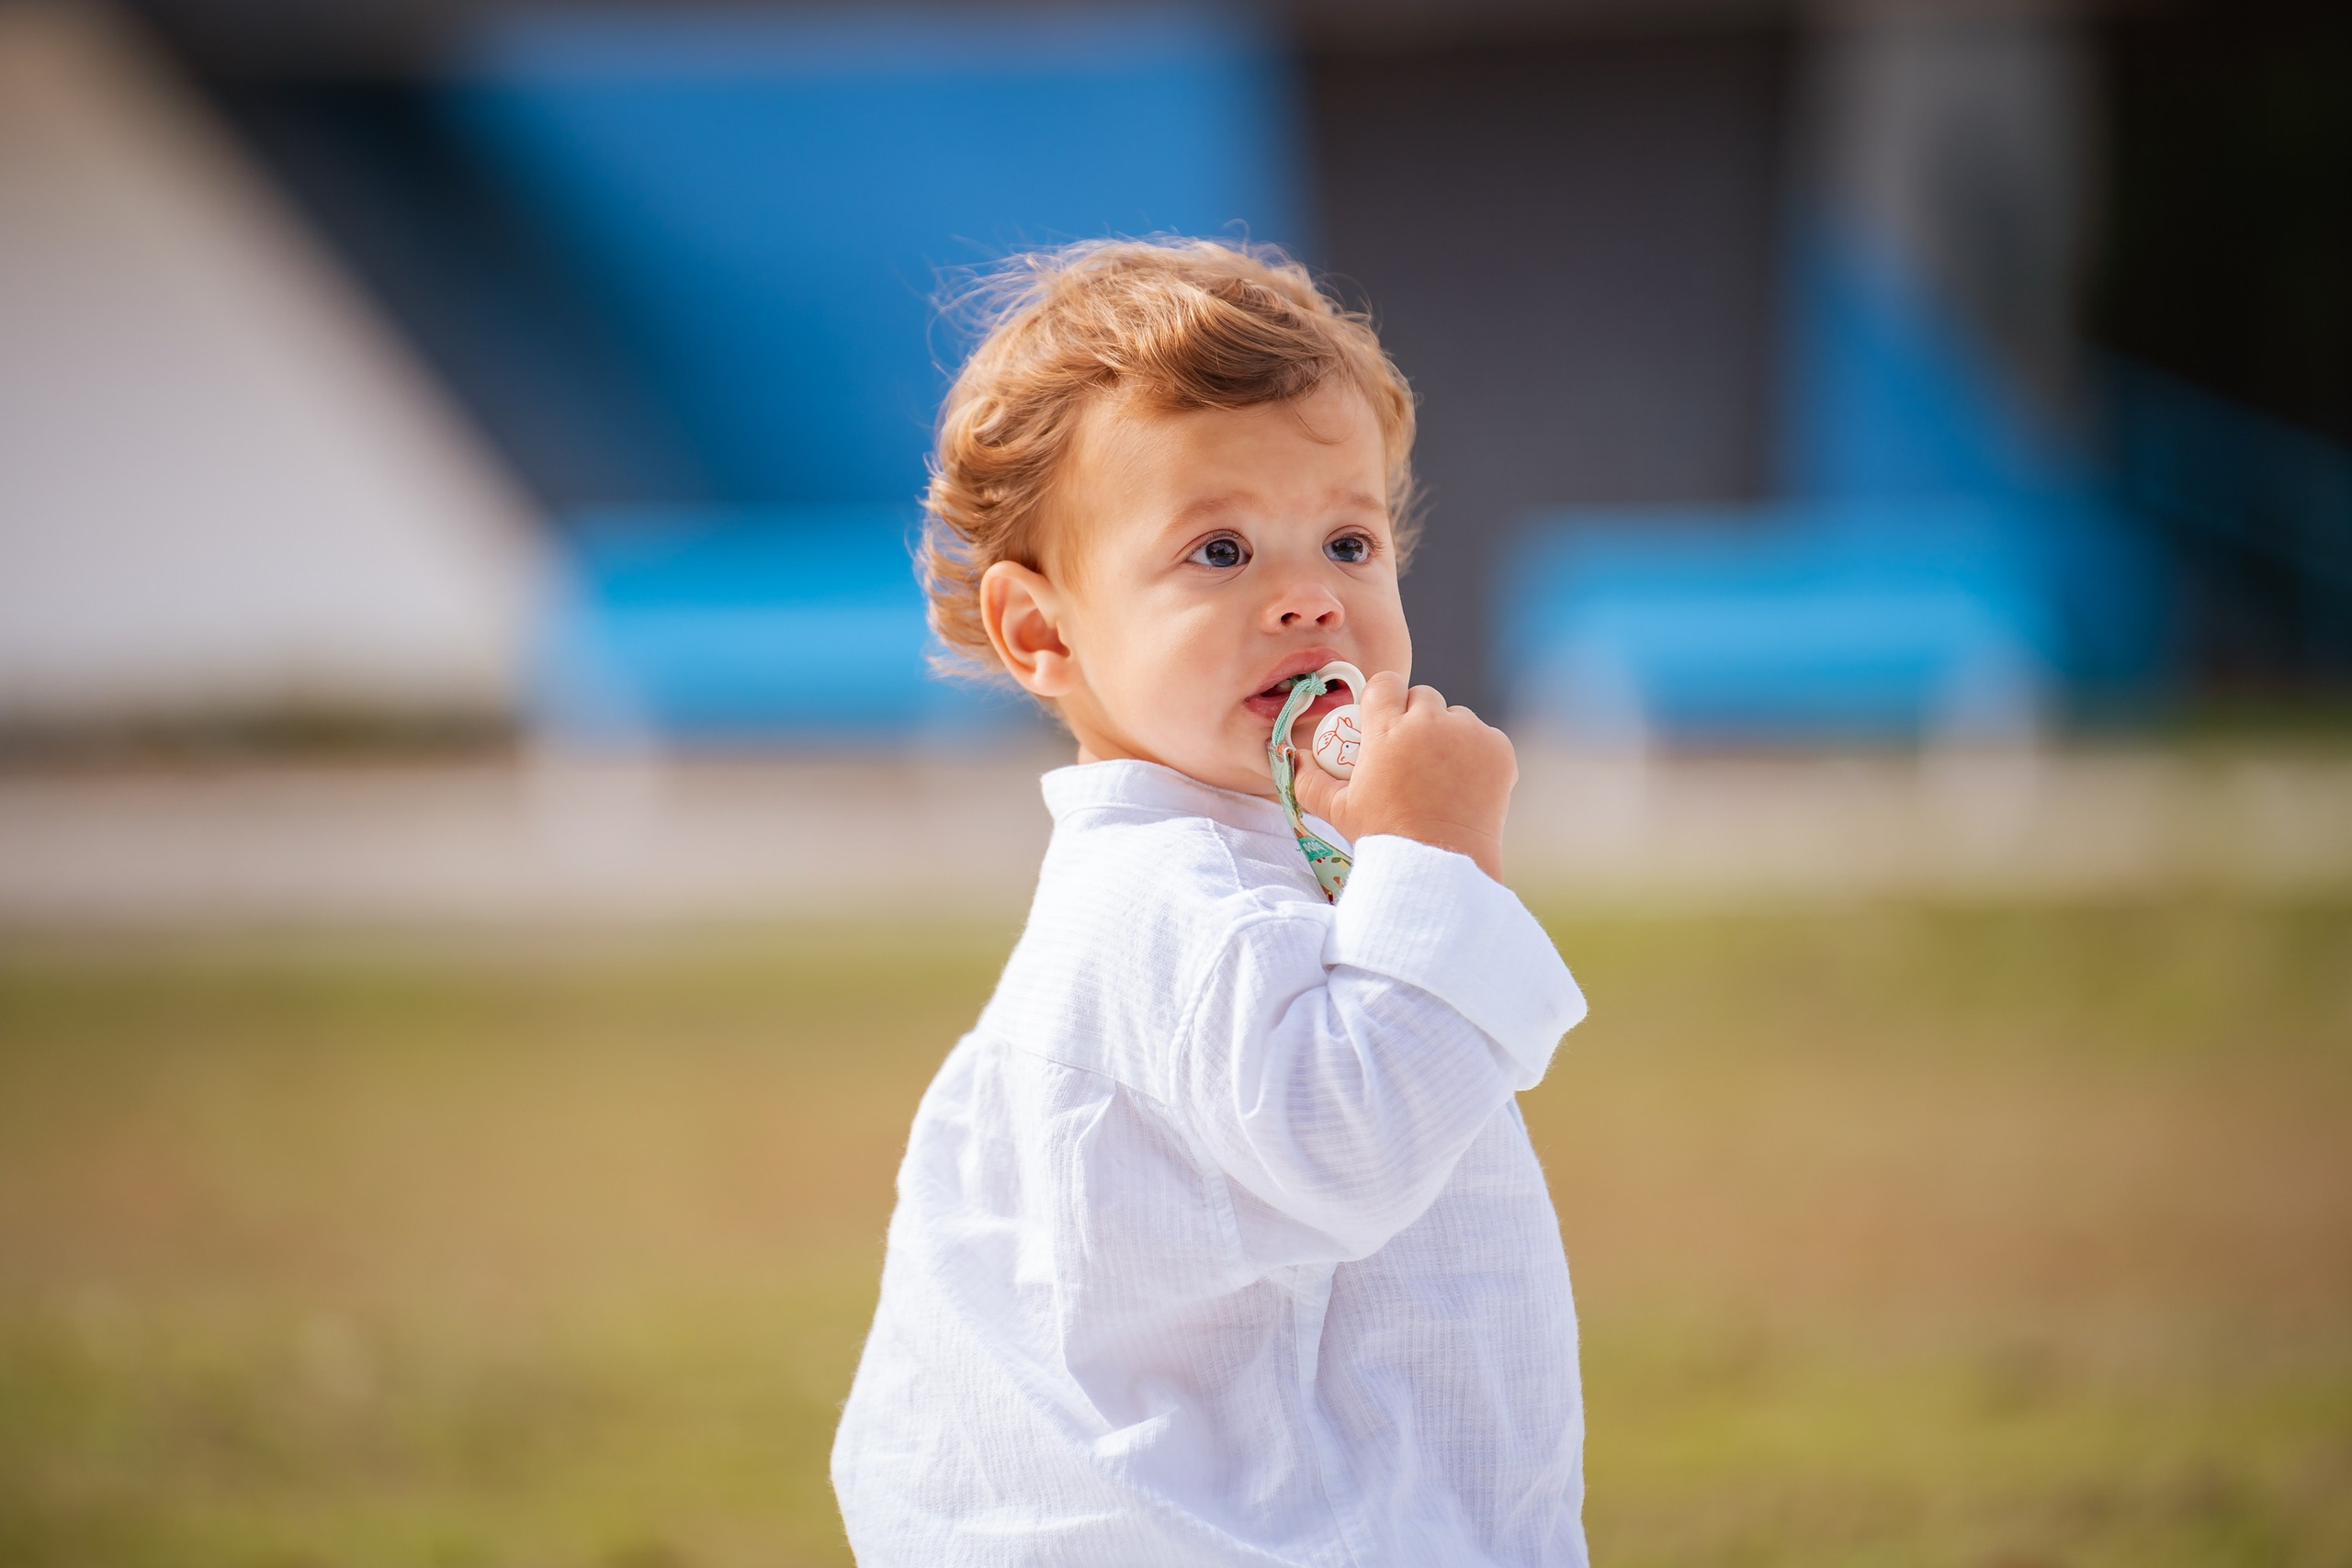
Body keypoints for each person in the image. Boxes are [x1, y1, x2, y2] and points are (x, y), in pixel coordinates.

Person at [831, 238, 1589, 1565]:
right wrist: (1443, 865)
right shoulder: (1159, 898)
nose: (1308, 599)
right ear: (1044, 634)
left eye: (1348, 541)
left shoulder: (1267, 863)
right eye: (1220, 549)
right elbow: (1349, 1140)